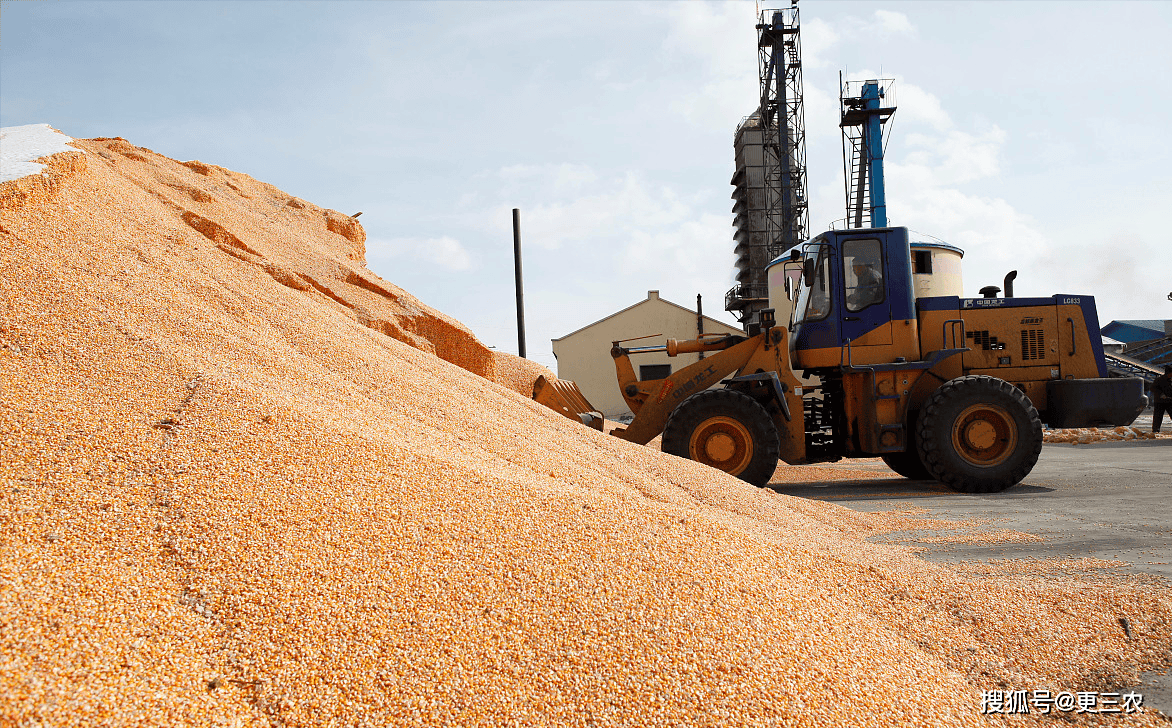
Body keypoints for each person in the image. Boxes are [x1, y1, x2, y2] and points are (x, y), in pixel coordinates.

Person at [1153, 365, 1172, 434]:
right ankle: (1155, 430)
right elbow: (1153, 388)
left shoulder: (1170, 380)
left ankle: (1156, 429)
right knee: (1158, 416)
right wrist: (1161, 394)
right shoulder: (1159, 380)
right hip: (1160, 402)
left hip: (1169, 401)